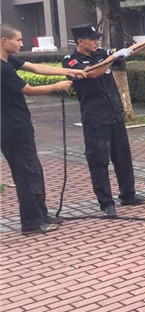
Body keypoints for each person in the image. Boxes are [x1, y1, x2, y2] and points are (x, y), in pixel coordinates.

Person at [63, 24, 145, 217]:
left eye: (96, 39)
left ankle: (128, 194)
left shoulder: (102, 53)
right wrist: (114, 57)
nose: (96, 42)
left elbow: (127, 51)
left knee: (123, 158)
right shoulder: (71, 61)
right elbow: (92, 72)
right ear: (80, 41)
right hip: (95, 118)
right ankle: (106, 203)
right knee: (99, 162)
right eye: (92, 39)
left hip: (115, 115)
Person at [1, 23, 85, 234]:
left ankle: (41, 215)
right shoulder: (2, 69)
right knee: (26, 175)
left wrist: (69, 71)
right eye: (18, 40)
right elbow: (28, 90)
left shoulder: (8, 60)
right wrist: (57, 87)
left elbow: (36, 68)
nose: (22, 43)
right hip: (12, 130)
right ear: (4, 41)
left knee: (34, 172)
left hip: (20, 127)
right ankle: (31, 223)